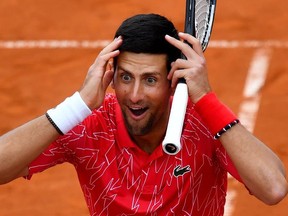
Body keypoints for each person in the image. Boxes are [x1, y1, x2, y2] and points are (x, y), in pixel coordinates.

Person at [0, 13, 287, 215]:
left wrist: (206, 100)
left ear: (173, 79)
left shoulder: (203, 123)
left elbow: (273, 189)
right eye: (125, 77)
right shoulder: (91, 124)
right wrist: (78, 105)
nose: (135, 95)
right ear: (110, 75)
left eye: (150, 79)